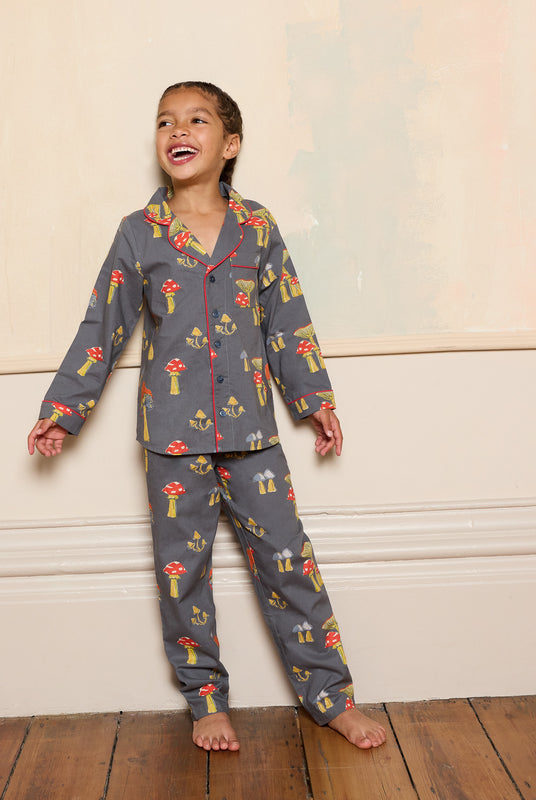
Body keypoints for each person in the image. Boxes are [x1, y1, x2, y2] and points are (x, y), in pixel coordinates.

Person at [28, 81, 386, 753]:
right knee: (182, 574)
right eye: (165, 120)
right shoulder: (140, 233)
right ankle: (207, 700)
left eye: (195, 119)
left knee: (290, 566)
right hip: (172, 443)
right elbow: (101, 329)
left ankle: (331, 697)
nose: (177, 130)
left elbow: (288, 322)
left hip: (253, 435)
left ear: (230, 145)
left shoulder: (258, 228)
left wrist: (316, 402)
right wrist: (62, 413)